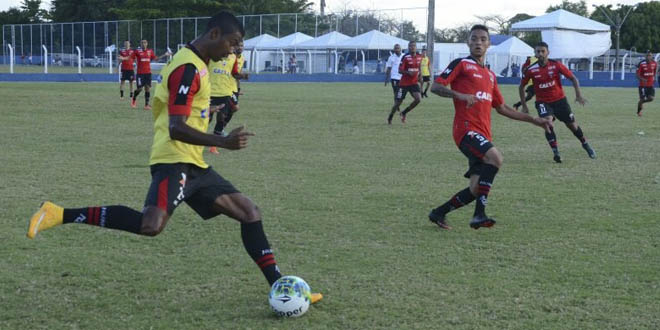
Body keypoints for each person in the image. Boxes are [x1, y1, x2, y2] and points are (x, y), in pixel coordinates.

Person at [26, 11, 322, 304]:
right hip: (174, 160)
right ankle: (58, 213)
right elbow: (176, 127)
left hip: (193, 162)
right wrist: (223, 141)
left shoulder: (197, 63)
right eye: (232, 43)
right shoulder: (188, 67)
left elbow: (182, 111)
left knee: (249, 211)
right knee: (150, 225)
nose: (233, 51)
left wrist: (205, 112)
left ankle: (281, 286)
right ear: (215, 34)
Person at [428, 25, 552, 230]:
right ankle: (479, 215)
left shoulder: (491, 76)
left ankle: (438, 213)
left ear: (488, 44)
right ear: (468, 42)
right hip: (465, 130)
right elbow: (436, 86)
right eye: (474, 38)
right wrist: (460, 95)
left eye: (483, 39)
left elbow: (502, 107)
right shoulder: (462, 64)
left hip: (482, 133)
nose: (478, 42)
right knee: (496, 158)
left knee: (476, 189)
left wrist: (534, 120)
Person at [519, 42, 595, 163]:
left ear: (548, 52)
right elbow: (521, 86)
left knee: (572, 126)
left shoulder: (556, 65)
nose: (540, 54)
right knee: (547, 123)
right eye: (537, 51)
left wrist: (578, 95)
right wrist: (524, 105)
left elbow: (573, 78)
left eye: (542, 51)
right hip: (543, 102)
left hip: (560, 101)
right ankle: (556, 153)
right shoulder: (530, 69)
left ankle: (585, 144)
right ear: (535, 53)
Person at [389, 40, 423, 124]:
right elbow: (400, 70)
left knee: (418, 99)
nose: (412, 47)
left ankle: (404, 113)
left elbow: (419, 68)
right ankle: (390, 116)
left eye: (414, 46)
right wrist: (408, 72)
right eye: (410, 46)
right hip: (404, 84)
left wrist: (420, 76)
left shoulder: (419, 56)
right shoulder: (405, 57)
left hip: (414, 83)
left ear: (416, 47)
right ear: (408, 48)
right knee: (397, 103)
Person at [131, 39, 170, 110]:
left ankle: (146, 105)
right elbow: (131, 58)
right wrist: (134, 64)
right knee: (139, 89)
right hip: (140, 74)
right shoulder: (137, 51)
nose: (143, 44)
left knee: (147, 88)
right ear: (141, 44)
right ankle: (134, 99)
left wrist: (165, 55)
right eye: (142, 43)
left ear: (147, 44)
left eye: (145, 42)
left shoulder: (150, 51)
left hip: (148, 73)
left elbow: (156, 59)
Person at [384, 44, 404, 124]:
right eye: (395, 48)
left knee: (400, 94)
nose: (397, 49)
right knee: (396, 93)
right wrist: (386, 79)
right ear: (394, 49)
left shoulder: (404, 56)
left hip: (402, 78)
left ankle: (397, 105)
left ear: (400, 49)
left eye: (398, 48)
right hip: (394, 78)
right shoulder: (391, 57)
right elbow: (389, 68)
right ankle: (397, 106)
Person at [636, 51, 657, 116]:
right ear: (645, 56)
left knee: (651, 98)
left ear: (651, 56)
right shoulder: (641, 64)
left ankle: (641, 102)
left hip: (650, 85)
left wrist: (654, 78)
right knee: (642, 99)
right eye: (647, 56)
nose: (648, 57)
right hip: (643, 85)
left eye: (650, 55)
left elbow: (654, 72)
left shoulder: (654, 63)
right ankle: (638, 112)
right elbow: (637, 75)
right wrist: (642, 79)